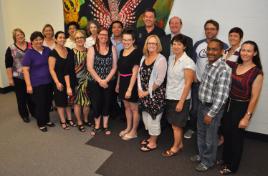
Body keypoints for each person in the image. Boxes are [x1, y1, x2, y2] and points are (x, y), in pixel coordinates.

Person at [219, 41, 263, 175]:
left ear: (254, 53)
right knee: (226, 133)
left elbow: (255, 97)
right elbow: (222, 60)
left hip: (242, 107)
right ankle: (225, 159)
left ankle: (232, 166)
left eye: (249, 50)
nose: (245, 53)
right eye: (243, 50)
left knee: (236, 138)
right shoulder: (234, 65)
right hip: (228, 104)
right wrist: (226, 53)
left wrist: (247, 117)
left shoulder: (257, 73)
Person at [190, 39, 231, 172]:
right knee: (201, 133)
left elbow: (222, 96)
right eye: (209, 49)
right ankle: (202, 155)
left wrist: (211, 113)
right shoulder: (209, 64)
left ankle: (208, 161)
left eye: (214, 49)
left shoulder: (224, 70)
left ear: (221, 52)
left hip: (211, 109)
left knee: (210, 138)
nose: (210, 52)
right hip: (202, 105)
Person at [185, 19, 228, 139]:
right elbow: (192, 61)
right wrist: (193, 76)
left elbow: (224, 64)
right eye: (207, 29)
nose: (209, 31)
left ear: (217, 31)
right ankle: (193, 129)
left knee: (211, 112)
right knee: (194, 110)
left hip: (213, 87)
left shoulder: (223, 46)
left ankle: (211, 134)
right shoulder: (198, 44)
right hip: (198, 83)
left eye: (212, 29)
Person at [162, 34, 195, 157]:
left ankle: (175, 147)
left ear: (184, 47)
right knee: (174, 124)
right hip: (170, 95)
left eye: (179, 44)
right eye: (174, 44)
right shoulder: (171, 58)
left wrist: (181, 102)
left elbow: (188, 84)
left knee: (176, 125)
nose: (176, 46)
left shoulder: (188, 62)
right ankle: (179, 144)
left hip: (180, 99)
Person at [137, 35, 167, 152]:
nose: (151, 45)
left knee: (154, 119)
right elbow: (139, 75)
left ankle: (153, 142)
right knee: (146, 118)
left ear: (158, 45)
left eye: (154, 43)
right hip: (144, 94)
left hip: (155, 96)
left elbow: (159, 81)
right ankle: (151, 137)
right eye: (149, 43)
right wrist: (140, 90)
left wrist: (146, 93)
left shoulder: (161, 59)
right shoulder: (144, 57)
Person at [87, 28, 117, 136]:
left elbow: (114, 67)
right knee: (96, 103)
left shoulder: (112, 48)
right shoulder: (92, 49)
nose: (103, 36)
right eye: (101, 34)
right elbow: (90, 67)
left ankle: (105, 126)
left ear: (108, 36)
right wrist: (100, 81)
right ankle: (97, 126)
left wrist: (106, 80)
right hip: (94, 82)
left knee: (107, 103)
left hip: (109, 82)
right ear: (98, 35)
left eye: (106, 34)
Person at [22, 31, 54, 132]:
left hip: (49, 81)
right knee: (40, 103)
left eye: (40, 39)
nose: (39, 41)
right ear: (32, 41)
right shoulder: (29, 53)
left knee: (48, 102)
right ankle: (41, 123)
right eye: (36, 40)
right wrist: (28, 85)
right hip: (37, 83)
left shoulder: (47, 50)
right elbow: (25, 70)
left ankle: (47, 120)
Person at [116, 29, 142, 140]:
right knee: (126, 107)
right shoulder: (122, 51)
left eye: (129, 40)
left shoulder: (136, 53)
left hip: (132, 83)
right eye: (124, 40)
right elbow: (120, 70)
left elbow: (135, 73)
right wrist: (118, 84)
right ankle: (128, 127)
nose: (126, 42)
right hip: (122, 81)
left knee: (134, 108)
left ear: (133, 40)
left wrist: (130, 89)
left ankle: (134, 131)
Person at [5, 28, 35, 123]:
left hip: (32, 75)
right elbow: (8, 65)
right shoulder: (11, 48)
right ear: (14, 37)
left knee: (32, 96)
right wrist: (10, 79)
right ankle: (24, 114)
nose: (20, 36)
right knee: (21, 97)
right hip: (18, 77)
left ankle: (34, 112)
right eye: (17, 35)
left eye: (21, 34)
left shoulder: (31, 45)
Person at [48, 31, 77, 130]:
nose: (62, 39)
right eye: (60, 37)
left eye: (64, 37)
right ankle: (63, 121)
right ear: (55, 39)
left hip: (69, 79)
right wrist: (57, 82)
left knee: (68, 101)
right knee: (60, 102)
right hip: (59, 80)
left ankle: (69, 119)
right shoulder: (52, 53)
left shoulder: (69, 50)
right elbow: (51, 69)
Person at [71, 30, 91, 132]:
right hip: (76, 81)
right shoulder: (71, 52)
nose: (79, 39)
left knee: (87, 102)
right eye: (77, 38)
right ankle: (79, 121)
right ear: (75, 40)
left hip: (88, 81)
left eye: (81, 37)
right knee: (77, 102)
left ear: (85, 39)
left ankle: (86, 119)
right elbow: (69, 69)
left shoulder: (89, 51)